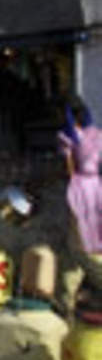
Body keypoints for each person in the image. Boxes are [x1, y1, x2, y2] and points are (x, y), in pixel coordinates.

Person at [59, 97, 102, 311]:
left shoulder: (69, 136)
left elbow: (69, 169)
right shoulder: (97, 134)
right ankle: (65, 302)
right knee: (71, 252)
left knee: (82, 250)